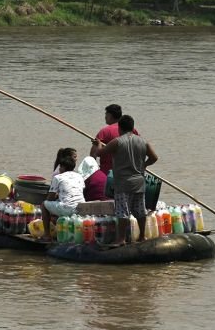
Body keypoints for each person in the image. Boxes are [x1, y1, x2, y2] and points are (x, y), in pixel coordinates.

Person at [93, 114, 157, 245]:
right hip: (139, 181)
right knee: (140, 210)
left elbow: (99, 153)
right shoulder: (143, 142)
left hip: (123, 183)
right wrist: (144, 165)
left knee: (122, 212)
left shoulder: (117, 141)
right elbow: (154, 158)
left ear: (119, 128)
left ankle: (121, 239)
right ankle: (142, 236)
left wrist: (98, 144)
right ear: (133, 128)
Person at [42, 147, 86, 243]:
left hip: (67, 208)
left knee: (44, 205)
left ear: (63, 167)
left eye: (61, 167)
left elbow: (50, 198)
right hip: (81, 207)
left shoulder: (58, 177)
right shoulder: (79, 176)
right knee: (60, 203)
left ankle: (47, 235)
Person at [90, 104, 130, 174]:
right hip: (128, 172)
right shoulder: (131, 130)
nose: (105, 117)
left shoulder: (104, 131)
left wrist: (93, 173)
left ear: (110, 115)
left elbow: (93, 154)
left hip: (108, 173)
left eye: (106, 114)